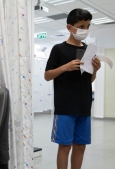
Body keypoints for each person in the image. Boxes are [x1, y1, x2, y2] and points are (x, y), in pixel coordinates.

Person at [44, 8, 101, 169]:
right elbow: (47, 75)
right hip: (65, 107)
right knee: (64, 147)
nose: (85, 30)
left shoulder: (89, 50)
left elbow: (88, 80)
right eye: (81, 26)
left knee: (80, 146)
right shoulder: (58, 49)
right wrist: (65, 67)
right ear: (69, 27)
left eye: (88, 26)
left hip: (84, 106)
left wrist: (95, 70)